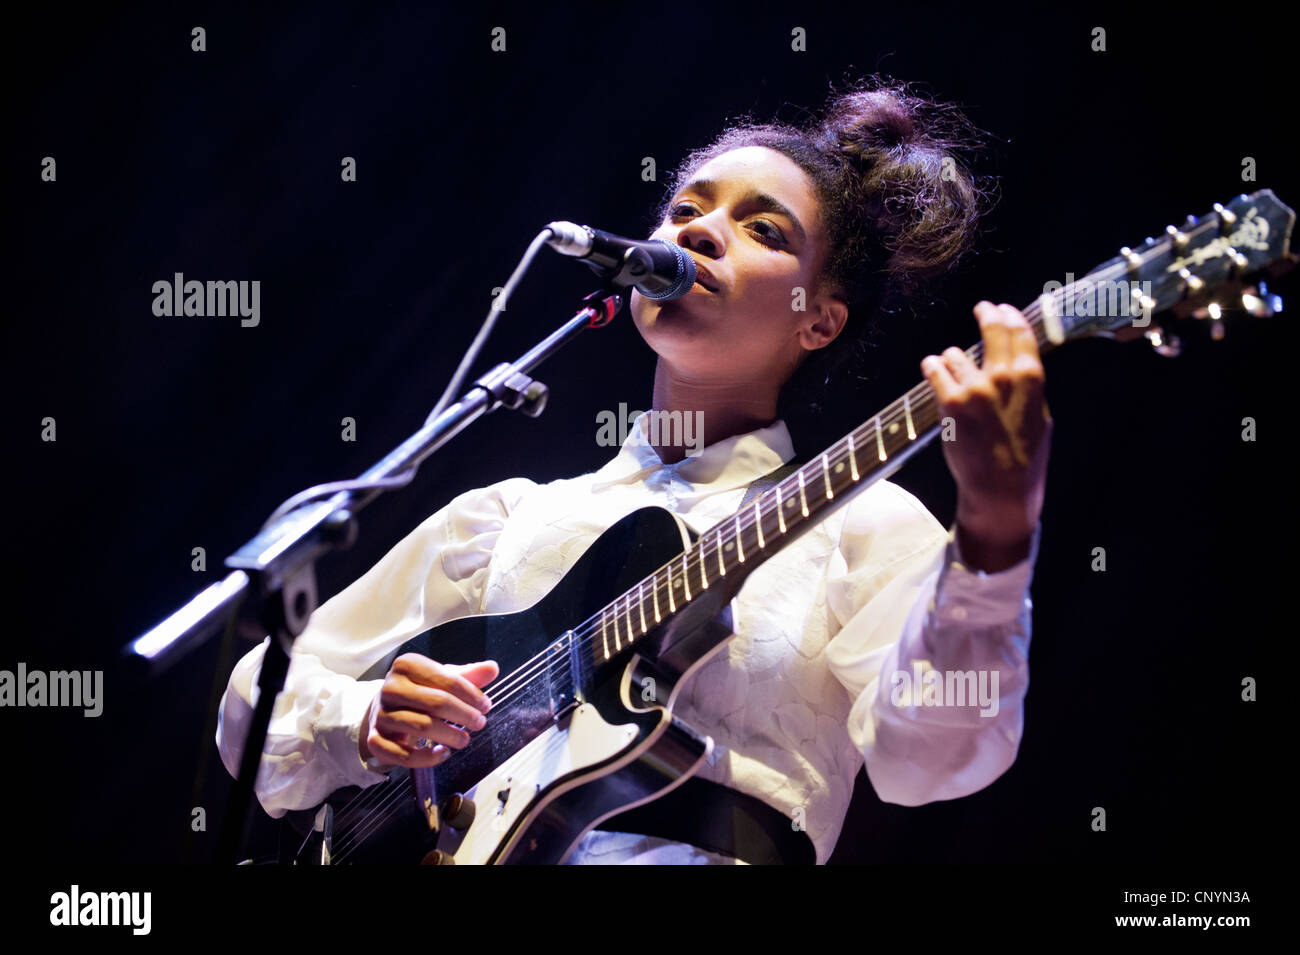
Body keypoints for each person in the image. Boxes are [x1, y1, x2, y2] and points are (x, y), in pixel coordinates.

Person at [216, 75, 1052, 865]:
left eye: (763, 230)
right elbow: (262, 700)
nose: (696, 230)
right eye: (685, 207)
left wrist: (995, 529)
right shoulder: (510, 516)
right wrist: (367, 716)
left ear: (820, 321)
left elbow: (933, 761)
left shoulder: (866, 522)